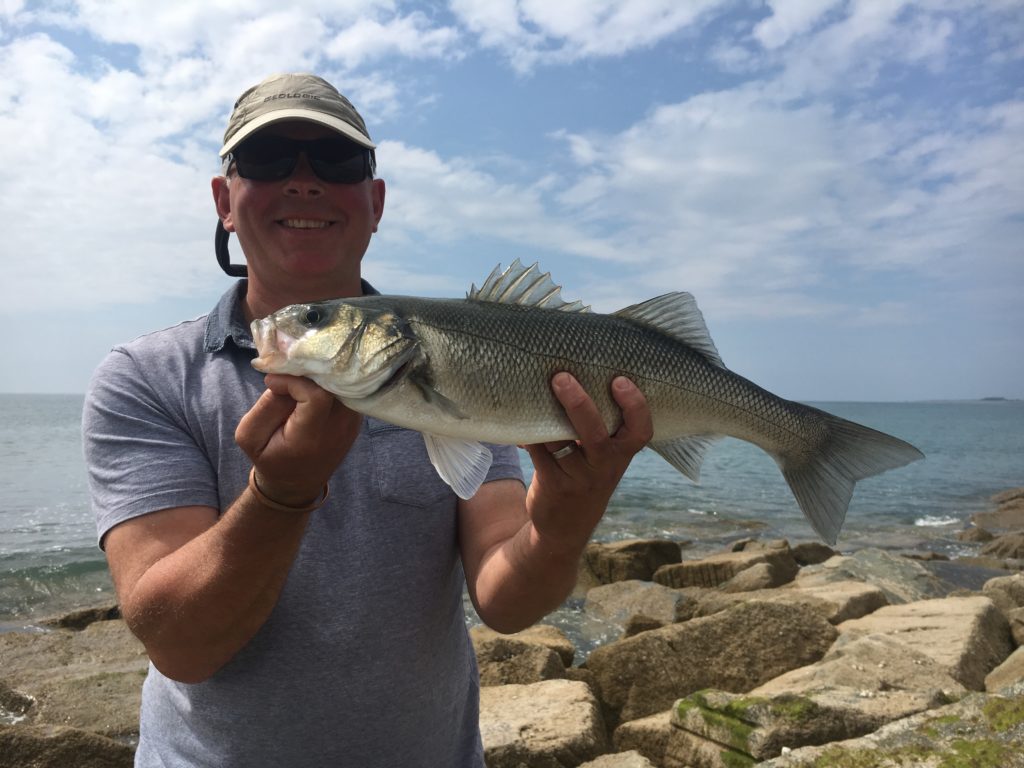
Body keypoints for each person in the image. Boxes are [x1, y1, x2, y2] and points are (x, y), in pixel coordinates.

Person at [83, 72, 653, 767]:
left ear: (375, 202)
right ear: (223, 201)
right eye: (266, 160)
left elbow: (505, 600)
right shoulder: (145, 379)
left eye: (338, 161)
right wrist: (281, 494)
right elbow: (181, 645)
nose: (304, 181)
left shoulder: (464, 359)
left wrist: (566, 519)